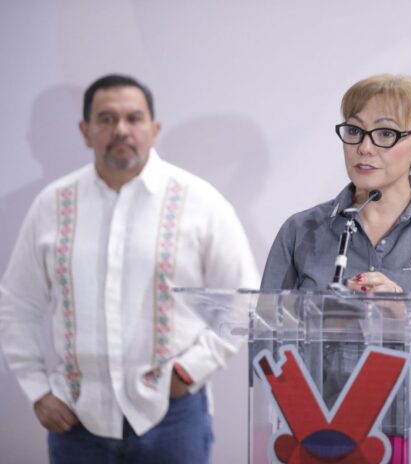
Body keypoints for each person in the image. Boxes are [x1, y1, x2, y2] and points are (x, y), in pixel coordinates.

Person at [0, 74, 260, 463]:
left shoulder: (201, 202)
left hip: (174, 419)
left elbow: (243, 300)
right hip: (77, 422)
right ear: (85, 131)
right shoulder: (52, 205)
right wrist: (37, 389)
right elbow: (18, 303)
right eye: (106, 119)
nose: (121, 129)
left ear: (154, 130)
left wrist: (189, 370)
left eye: (133, 118)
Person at [260, 74, 411, 463]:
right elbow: (263, 343)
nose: (365, 147)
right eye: (354, 131)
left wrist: (410, 320)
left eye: (385, 134)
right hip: (324, 438)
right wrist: (322, 325)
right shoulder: (301, 232)